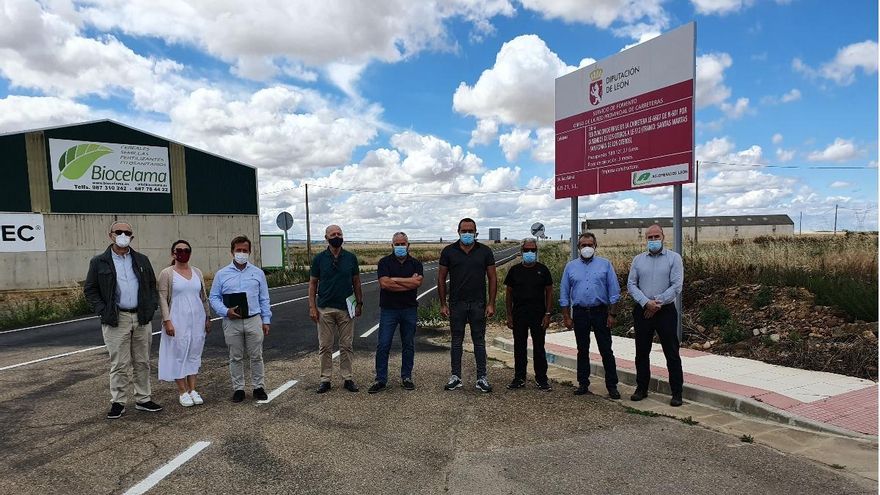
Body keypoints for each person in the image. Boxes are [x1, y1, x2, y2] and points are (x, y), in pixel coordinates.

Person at [83, 221, 162, 419]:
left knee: (142, 361)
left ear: (132, 237)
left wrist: (151, 307)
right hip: (116, 318)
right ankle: (118, 401)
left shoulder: (142, 260)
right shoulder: (99, 262)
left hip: (141, 317)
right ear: (110, 235)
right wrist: (102, 310)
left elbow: (152, 286)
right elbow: (90, 290)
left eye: (127, 233)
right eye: (119, 232)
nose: (123, 235)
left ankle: (143, 399)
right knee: (119, 363)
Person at [627, 224, 685, 407]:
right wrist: (646, 302)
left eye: (656, 236)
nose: (653, 240)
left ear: (663, 236)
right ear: (646, 239)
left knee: (671, 352)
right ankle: (641, 388)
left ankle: (676, 393)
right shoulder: (638, 260)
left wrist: (657, 302)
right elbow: (631, 285)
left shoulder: (674, 259)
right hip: (643, 310)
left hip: (665, 311)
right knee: (642, 352)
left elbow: (676, 286)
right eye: (649, 237)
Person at [209, 236, 272, 403]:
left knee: (256, 355)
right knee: (235, 357)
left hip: (253, 319)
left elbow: (264, 298)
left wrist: (266, 320)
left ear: (249, 252)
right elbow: (214, 297)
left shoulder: (257, 273)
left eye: (245, 250)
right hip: (231, 322)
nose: (242, 253)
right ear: (232, 252)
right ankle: (239, 388)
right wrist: (225, 311)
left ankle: (258, 387)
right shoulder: (221, 274)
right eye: (239, 250)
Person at [438, 218, 497, 393]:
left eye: (471, 231)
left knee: (479, 342)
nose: (467, 234)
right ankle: (455, 377)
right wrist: (443, 304)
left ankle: (482, 378)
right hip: (457, 304)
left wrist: (491, 303)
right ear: (458, 232)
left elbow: (492, 278)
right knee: (456, 342)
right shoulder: (449, 251)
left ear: (476, 232)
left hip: (478, 304)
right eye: (464, 231)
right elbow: (441, 278)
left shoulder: (485, 251)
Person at [560, 232, 621, 399]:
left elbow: (614, 291)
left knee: (606, 350)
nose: (586, 248)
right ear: (578, 247)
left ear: (595, 246)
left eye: (590, 245)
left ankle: (612, 386)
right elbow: (564, 293)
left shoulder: (605, 265)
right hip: (580, 313)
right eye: (583, 245)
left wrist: (612, 314)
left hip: (600, 312)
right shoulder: (570, 267)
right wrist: (566, 316)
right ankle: (583, 383)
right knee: (582, 349)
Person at [309, 225, 363, 394]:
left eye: (339, 234)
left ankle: (347, 377)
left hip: (346, 308)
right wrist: (312, 307)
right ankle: (325, 379)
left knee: (346, 345)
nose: (337, 236)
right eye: (333, 234)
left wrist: (359, 303)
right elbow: (312, 284)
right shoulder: (319, 259)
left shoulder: (350, 258)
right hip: (324, 308)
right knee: (325, 346)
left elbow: (356, 282)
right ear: (326, 237)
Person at [157, 240, 212, 407]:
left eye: (186, 250)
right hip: (177, 319)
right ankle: (182, 391)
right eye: (179, 250)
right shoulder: (167, 273)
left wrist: (208, 317)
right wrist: (167, 321)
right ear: (173, 253)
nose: (183, 253)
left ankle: (192, 389)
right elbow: (162, 298)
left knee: (194, 353)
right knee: (179, 353)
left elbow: (203, 297)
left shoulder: (197, 272)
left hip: (197, 319)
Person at [369, 232, 424, 393]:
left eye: (403, 244)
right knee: (384, 344)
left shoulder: (415, 263)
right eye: (397, 244)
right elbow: (385, 284)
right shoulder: (384, 262)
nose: (400, 247)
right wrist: (408, 282)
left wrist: (395, 279)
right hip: (389, 310)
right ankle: (381, 379)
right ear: (392, 245)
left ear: (408, 245)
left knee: (408, 344)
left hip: (409, 309)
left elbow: (418, 283)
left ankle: (406, 377)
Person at [504, 238, 553, 391]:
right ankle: (519, 378)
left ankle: (541, 379)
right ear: (522, 252)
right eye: (526, 250)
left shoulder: (543, 270)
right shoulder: (514, 271)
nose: (529, 253)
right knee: (519, 347)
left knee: (539, 347)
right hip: (519, 314)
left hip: (538, 315)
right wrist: (509, 316)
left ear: (536, 251)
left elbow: (549, 293)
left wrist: (548, 314)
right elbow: (508, 294)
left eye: (532, 250)